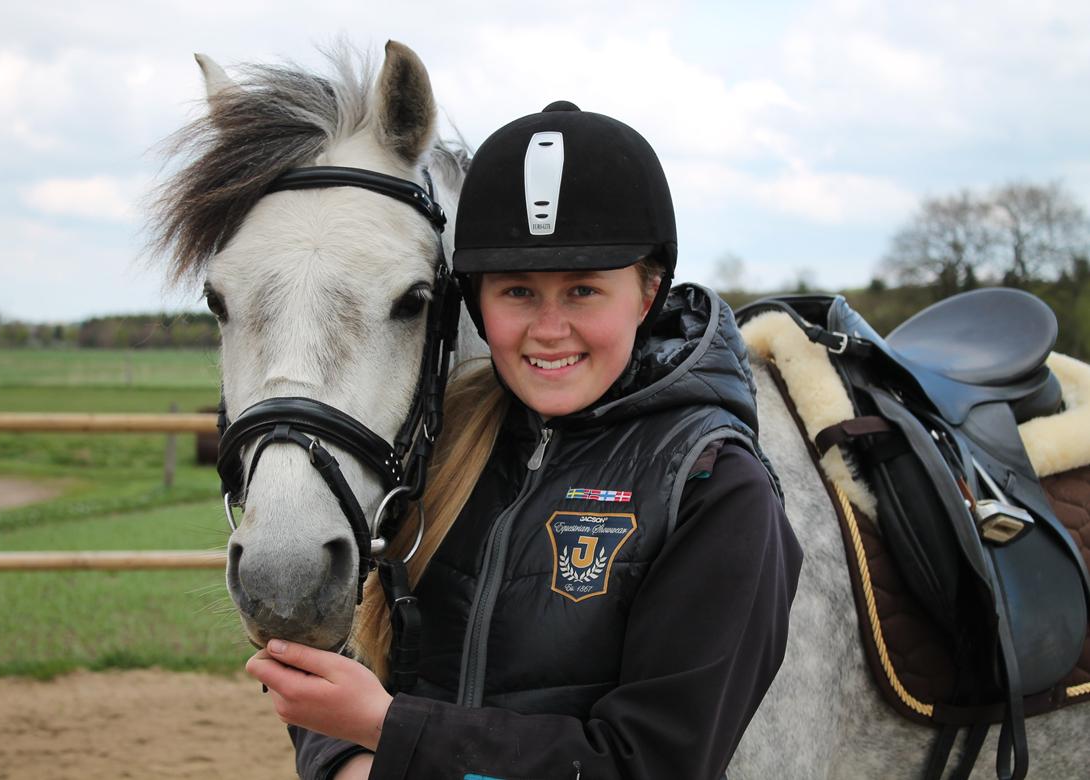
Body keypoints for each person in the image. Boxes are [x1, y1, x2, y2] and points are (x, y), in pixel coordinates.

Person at [245, 101, 803, 780]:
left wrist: (385, 730)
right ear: (477, 300)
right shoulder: (440, 446)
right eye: (516, 291)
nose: (548, 328)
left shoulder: (715, 488)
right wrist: (341, 761)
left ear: (648, 292)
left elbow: (653, 765)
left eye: (583, 291)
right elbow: (345, 663)